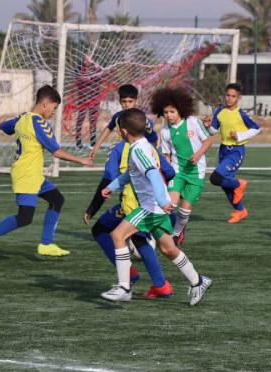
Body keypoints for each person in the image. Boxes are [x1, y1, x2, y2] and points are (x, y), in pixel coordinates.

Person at [101, 108, 212, 305]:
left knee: (117, 236)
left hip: (150, 208)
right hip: (156, 208)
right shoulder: (146, 146)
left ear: (124, 131)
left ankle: (124, 287)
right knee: (168, 249)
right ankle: (198, 282)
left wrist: (162, 199)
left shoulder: (137, 150)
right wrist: (113, 186)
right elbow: (132, 174)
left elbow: (152, 173)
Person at [0, 85, 93, 255]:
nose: (54, 112)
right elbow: (56, 151)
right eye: (54, 108)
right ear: (45, 103)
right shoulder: (40, 124)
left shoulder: (22, 119)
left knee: (57, 199)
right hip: (28, 174)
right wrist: (82, 160)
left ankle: (46, 244)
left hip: (31, 174)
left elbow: (5, 126)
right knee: (24, 217)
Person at [84, 111, 175, 298]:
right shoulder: (151, 148)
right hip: (154, 206)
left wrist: (92, 208)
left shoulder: (120, 148)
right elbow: (169, 172)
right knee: (156, 244)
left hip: (134, 205)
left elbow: (108, 178)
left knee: (104, 230)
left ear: (123, 130)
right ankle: (163, 284)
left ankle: (128, 279)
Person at [150, 87, 212, 245]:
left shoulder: (192, 122)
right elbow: (167, 156)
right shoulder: (165, 131)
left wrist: (198, 155)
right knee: (169, 205)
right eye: (165, 112)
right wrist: (165, 175)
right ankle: (155, 235)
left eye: (172, 111)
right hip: (177, 172)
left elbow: (208, 141)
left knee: (184, 212)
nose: (169, 115)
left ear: (180, 110)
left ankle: (177, 232)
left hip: (196, 173)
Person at [204, 83, 260, 224]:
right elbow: (213, 131)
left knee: (216, 178)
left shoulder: (241, 114)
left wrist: (240, 136)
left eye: (233, 96)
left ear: (238, 98)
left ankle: (239, 184)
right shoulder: (219, 111)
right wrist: (207, 126)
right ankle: (240, 210)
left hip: (236, 151)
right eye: (228, 95)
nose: (229, 98)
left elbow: (256, 129)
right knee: (224, 184)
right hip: (223, 150)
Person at [89, 84, 158, 159]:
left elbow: (152, 136)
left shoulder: (141, 118)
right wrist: (96, 146)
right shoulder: (117, 116)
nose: (127, 105)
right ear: (120, 102)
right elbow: (109, 128)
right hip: (128, 148)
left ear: (136, 101)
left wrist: (153, 150)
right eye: (124, 101)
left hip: (145, 149)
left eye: (130, 101)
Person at [74, 54, 107, 150]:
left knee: (93, 121)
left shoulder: (95, 70)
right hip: (83, 99)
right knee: (80, 120)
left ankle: (93, 143)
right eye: (85, 59)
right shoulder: (79, 70)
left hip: (94, 99)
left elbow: (102, 72)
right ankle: (78, 144)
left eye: (88, 59)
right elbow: (80, 79)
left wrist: (93, 63)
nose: (87, 61)